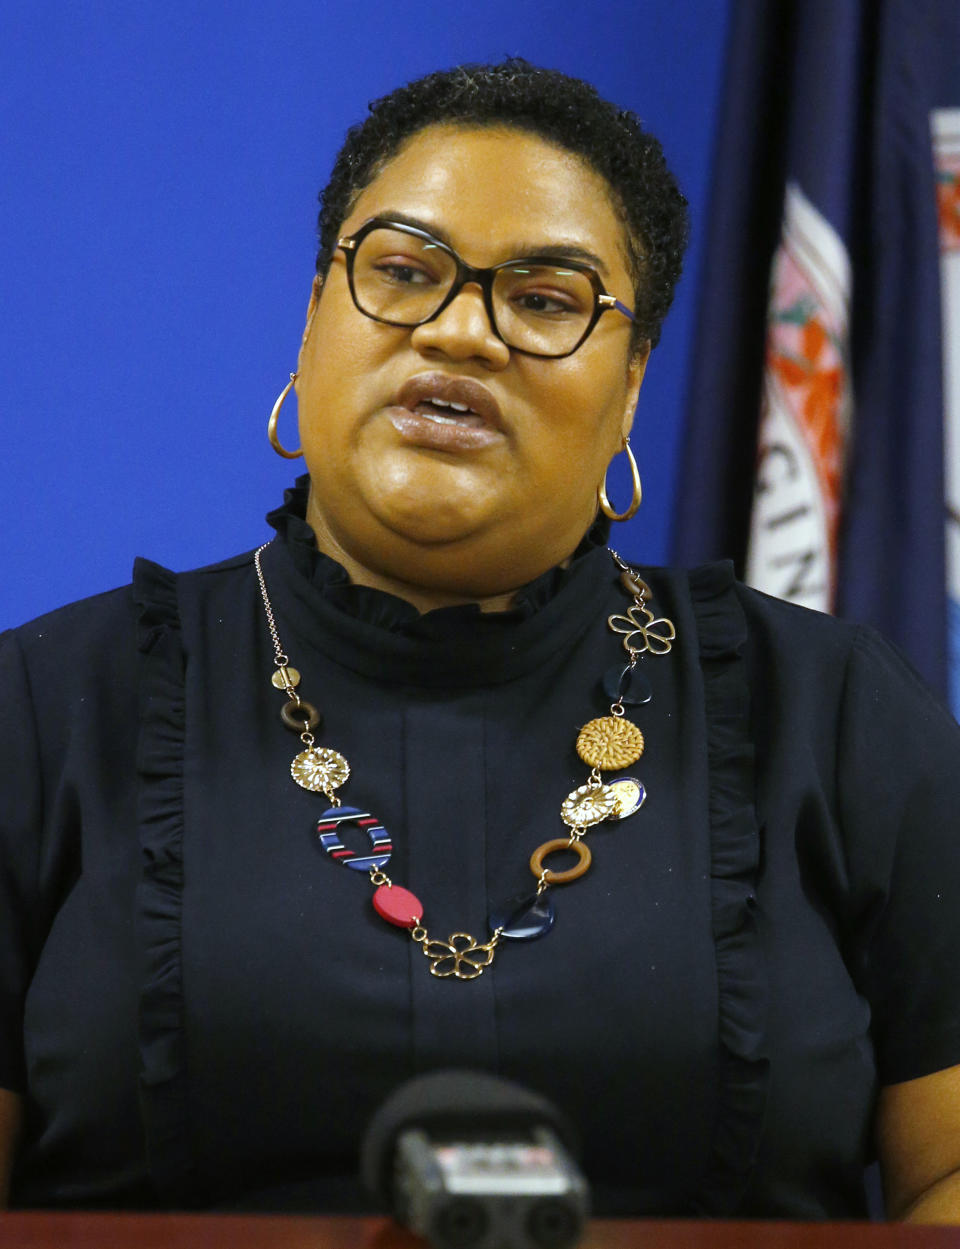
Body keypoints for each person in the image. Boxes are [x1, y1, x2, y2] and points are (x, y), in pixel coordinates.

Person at [2, 58, 960, 1222]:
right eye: (403, 272)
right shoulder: (49, 714)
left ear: (630, 391)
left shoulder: (840, 719)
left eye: (547, 300)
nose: (461, 332)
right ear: (310, 331)